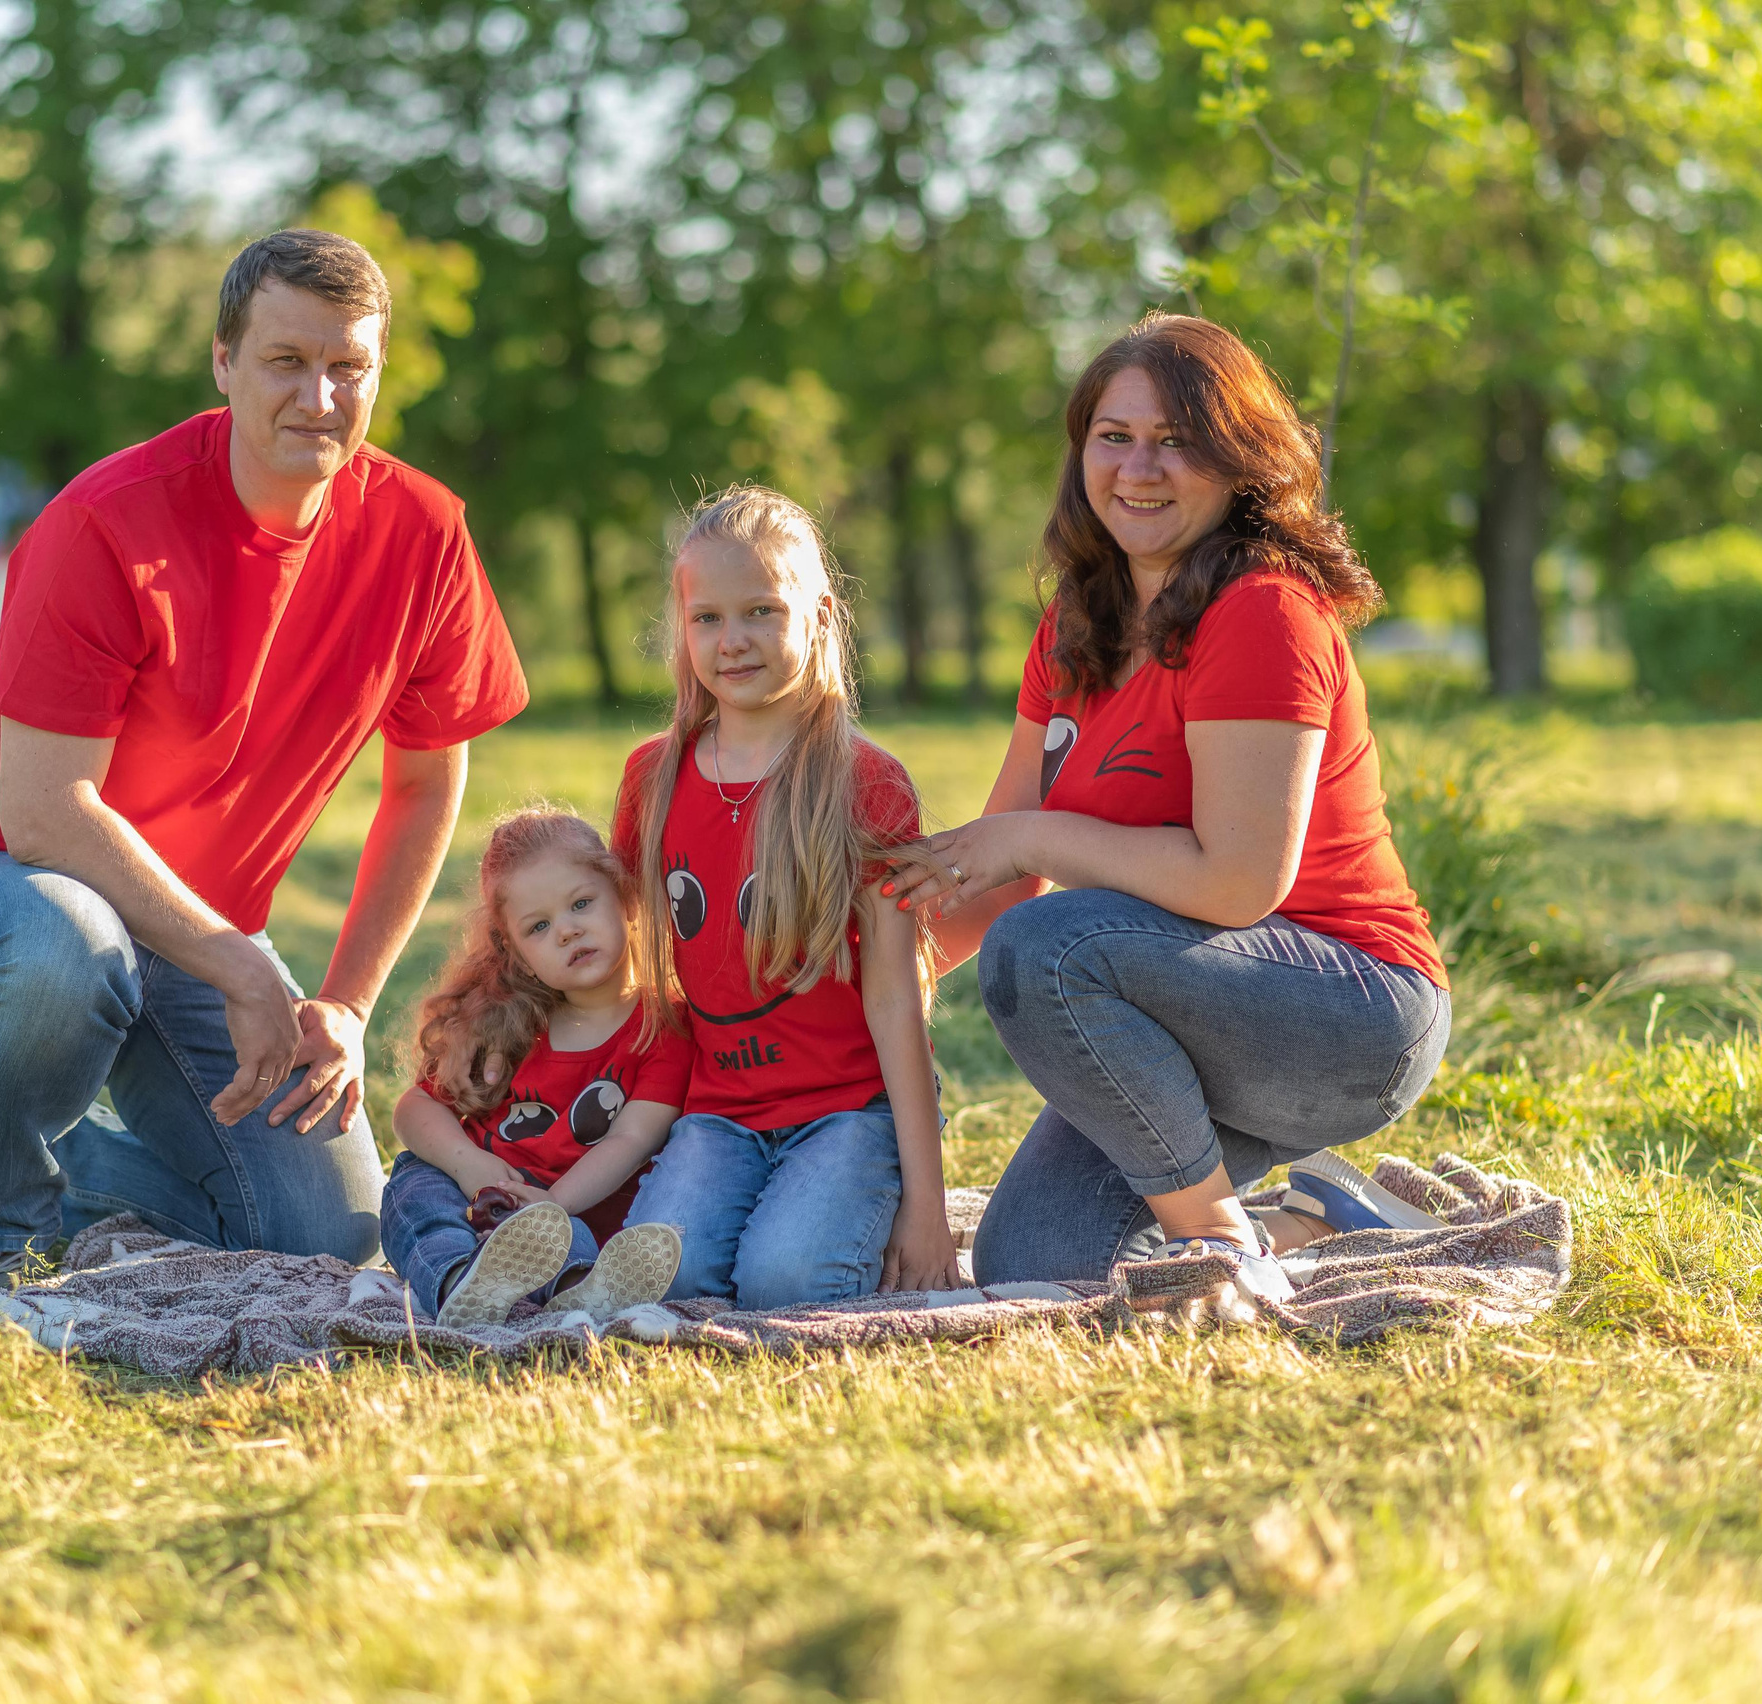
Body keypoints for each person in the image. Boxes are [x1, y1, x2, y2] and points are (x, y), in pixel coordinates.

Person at [0, 229, 528, 1283]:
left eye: (347, 367)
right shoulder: (105, 523)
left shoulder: (425, 534)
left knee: (326, 1238)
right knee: (68, 943)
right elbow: (46, 812)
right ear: (223, 363)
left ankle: (43, 1168)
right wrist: (239, 964)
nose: (319, 395)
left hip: (189, 928)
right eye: (286, 361)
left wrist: (347, 1007)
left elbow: (424, 782)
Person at [883, 314, 1452, 1302]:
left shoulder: (1262, 612)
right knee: (1035, 1264)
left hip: (1344, 1012)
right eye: (1114, 436)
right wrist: (868, 981)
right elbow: (985, 879)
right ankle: (1312, 1213)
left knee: (1043, 947)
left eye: (1176, 439)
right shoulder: (1076, 626)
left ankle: (1221, 1247)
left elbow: (1236, 885)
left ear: (1239, 461)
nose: (1139, 467)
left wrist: (1034, 838)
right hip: (1181, 1018)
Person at [610, 486, 960, 1308]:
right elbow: (622, 971)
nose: (733, 641)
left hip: (848, 1111)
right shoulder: (651, 780)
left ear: (820, 614)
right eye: (708, 618)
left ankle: (845, 1216)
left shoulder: (865, 784)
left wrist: (927, 1208)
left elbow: (895, 1002)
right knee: (669, 1279)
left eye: (762, 611)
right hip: (716, 1113)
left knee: (788, 1282)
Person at [384, 807, 691, 1326]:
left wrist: (548, 1205)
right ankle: (460, 1281)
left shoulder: (661, 1027)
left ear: (627, 899)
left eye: (582, 904)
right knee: (413, 1184)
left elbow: (631, 1140)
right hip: (473, 1191)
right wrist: (466, 1165)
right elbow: (415, 1108)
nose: (567, 931)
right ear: (519, 955)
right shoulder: (505, 1022)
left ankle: (580, 1288)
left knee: (561, 1238)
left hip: (572, 1210)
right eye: (540, 926)